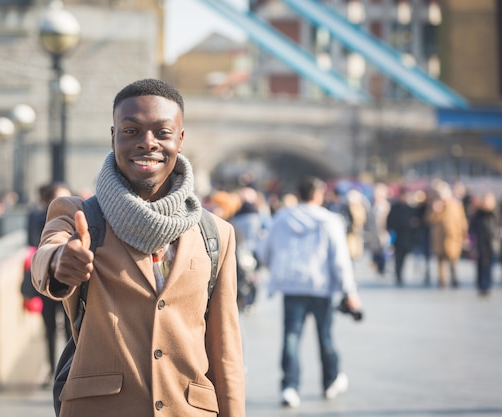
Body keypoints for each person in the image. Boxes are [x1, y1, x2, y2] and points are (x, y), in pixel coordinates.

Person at [31, 79, 245, 417]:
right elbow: (47, 255)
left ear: (180, 139)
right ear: (113, 136)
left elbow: (225, 352)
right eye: (131, 131)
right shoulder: (77, 215)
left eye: (162, 132)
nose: (148, 143)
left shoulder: (216, 234)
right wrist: (60, 262)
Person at [260, 176, 361, 408]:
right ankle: (330, 380)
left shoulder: (282, 218)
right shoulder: (329, 220)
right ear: (318, 194)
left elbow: (264, 251)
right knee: (325, 336)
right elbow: (340, 260)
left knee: (291, 337)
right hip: (320, 286)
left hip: (292, 286)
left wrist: (275, 269)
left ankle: (290, 386)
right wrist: (350, 291)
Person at [24, 182, 73, 386]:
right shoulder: (37, 218)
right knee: (50, 328)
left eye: (68, 198)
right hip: (47, 277)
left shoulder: (79, 215)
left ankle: (71, 369)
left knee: (72, 330)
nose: (66, 203)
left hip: (71, 281)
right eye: (60, 199)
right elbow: (31, 242)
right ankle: (52, 370)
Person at [426, 181, 468, 288]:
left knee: (453, 259)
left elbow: (462, 221)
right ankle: (442, 281)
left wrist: (464, 235)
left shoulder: (456, 205)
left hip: (453, 237)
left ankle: (454, 279)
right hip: (439, 238)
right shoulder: (435, 205)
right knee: (440, 261)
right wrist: (435, 211)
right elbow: (428, 220)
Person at [468, 192, 500, 296]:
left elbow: (498, 227)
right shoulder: (478, 214)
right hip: (479, 244)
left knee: (490, 266)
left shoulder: (496, 213)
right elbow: (471, 228)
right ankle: (481, 285)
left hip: (492, 244)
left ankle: (487, 285)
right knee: (480, 265)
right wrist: (472, 241)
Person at [386, 186, 418, 286]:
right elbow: (389, 222)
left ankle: (406, 275)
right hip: (398, 237)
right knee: (398, 258)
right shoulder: (395, 208)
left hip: (408, 237)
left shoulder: (411, 208)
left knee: (407, 258)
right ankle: (398, 275)